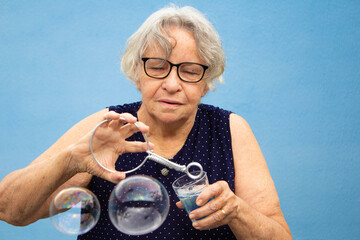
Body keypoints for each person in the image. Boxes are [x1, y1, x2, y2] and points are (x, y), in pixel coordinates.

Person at [0, 5, 292, 240]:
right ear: (137, 73)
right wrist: (71, 160)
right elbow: (9, 209)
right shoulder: (106, 127)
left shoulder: (230, 129)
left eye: (190, 71)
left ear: (206, 82)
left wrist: (237, 211)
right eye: (157, 67)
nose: (172, 84)